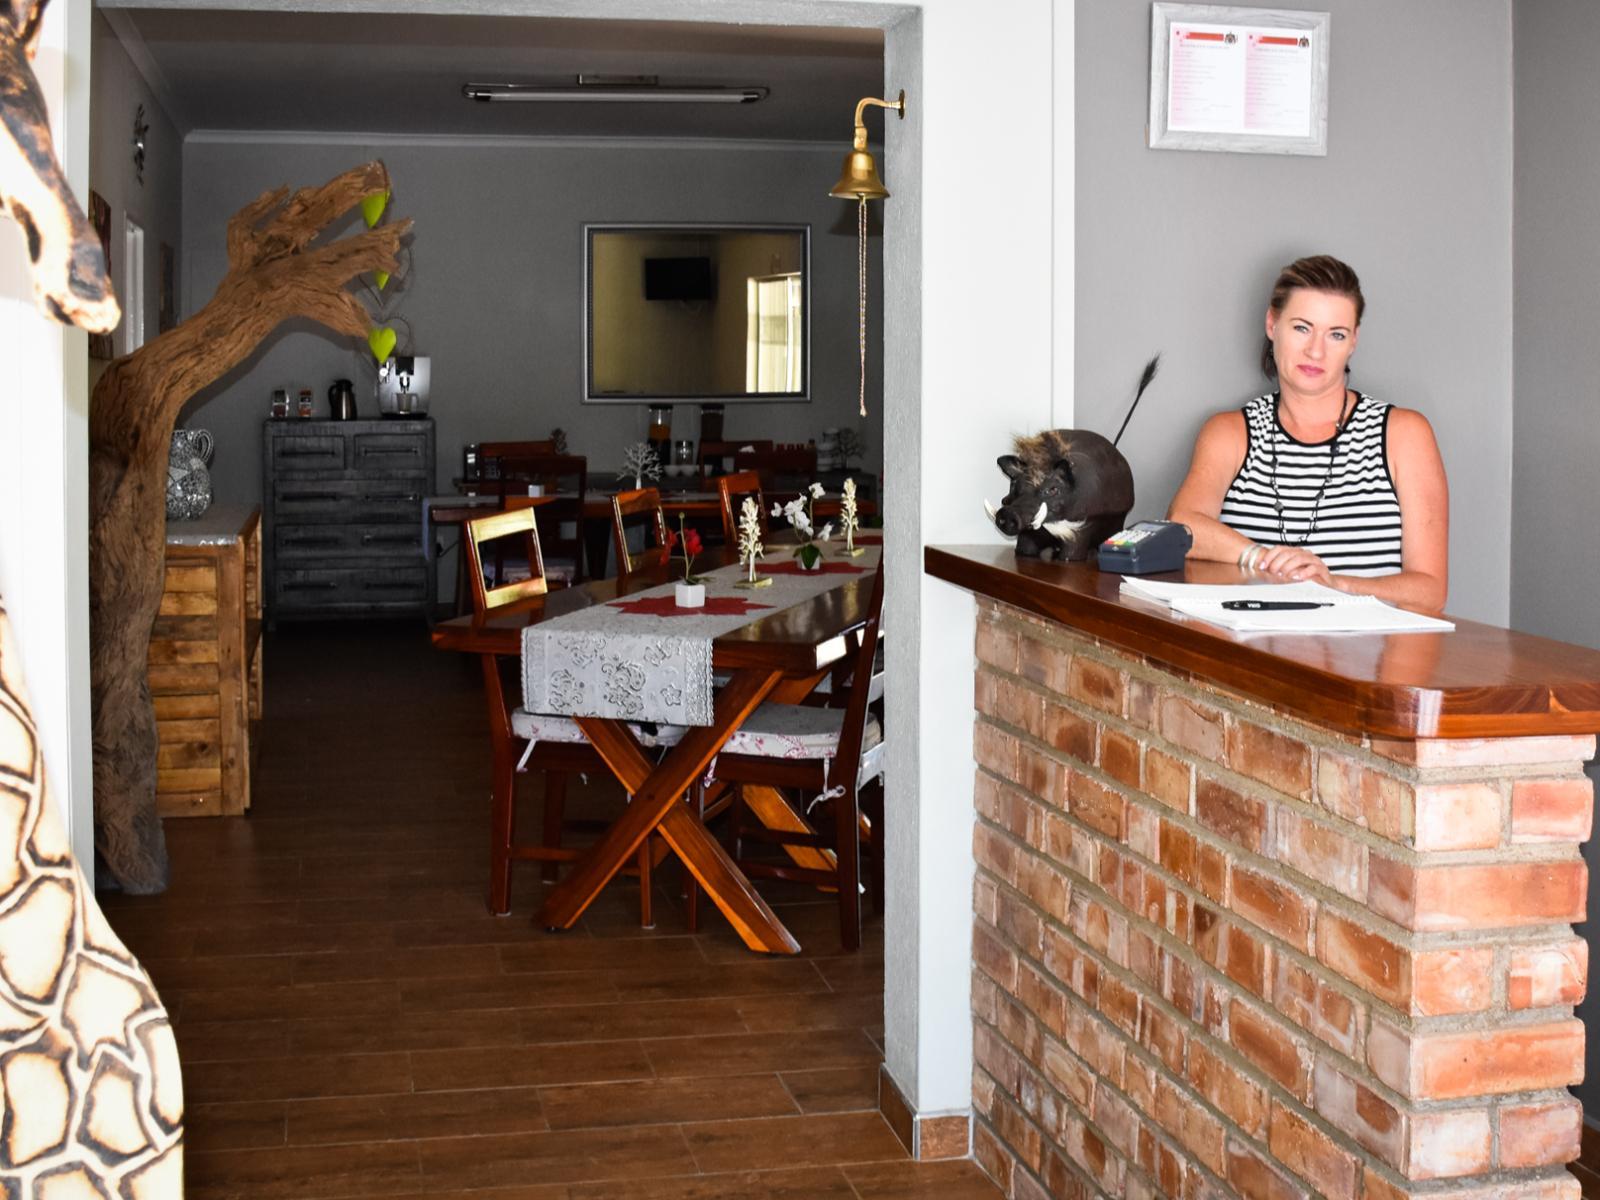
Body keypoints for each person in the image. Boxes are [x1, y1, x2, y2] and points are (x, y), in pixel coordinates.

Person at [1167, 255, 1448, 613]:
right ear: (1272, 324)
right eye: (1302, 328)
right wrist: (1266, 559)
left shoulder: (1404, 435)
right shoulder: (1229, 433)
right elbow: (1183, 525)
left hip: (1365, 648)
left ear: (1353, 341)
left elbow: (1431, 590)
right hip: (1249, 645)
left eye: (1336, 334)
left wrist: (1332, 585)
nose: (1316, 351)